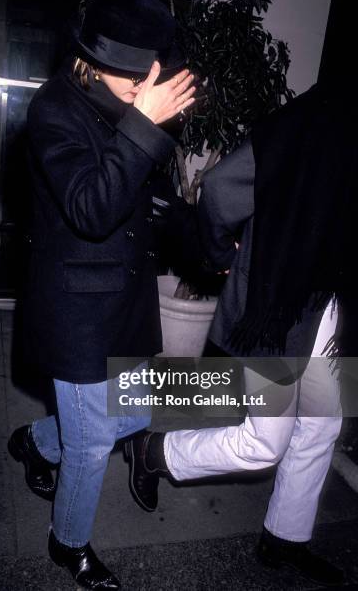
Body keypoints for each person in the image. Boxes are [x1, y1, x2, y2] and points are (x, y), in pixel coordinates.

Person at [126, 83, 357, 586]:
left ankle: (283, 540)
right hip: (276, 308)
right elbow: (223, 185)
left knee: (321, 428)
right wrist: (224, 257)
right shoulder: (317, 117)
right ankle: (154, 452)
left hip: (332, 311)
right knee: (264, 444)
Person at [7, 0, 195, 590]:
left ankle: (39, 441)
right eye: (135, 79)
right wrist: (143, 124)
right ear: (97, 61)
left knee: (133, 411)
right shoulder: (53, 111)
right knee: (89, 448)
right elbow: (91, 208)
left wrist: (209, 243)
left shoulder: (119, 102)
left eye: (151, 79)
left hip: (126, 298)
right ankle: (69, 545)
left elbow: (148, 198)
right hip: (77, 309)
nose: (145, 91)